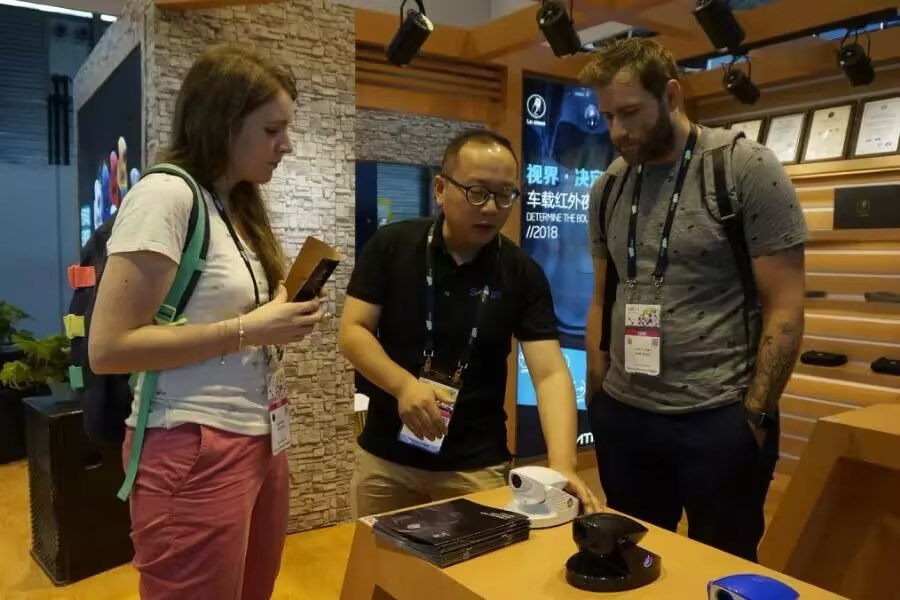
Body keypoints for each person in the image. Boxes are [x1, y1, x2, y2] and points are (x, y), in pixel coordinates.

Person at [88, 45, 323, 599]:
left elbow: (230, 316)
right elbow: (108, 348)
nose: (286, 145)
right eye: (272, 130)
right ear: (223, 123)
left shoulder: (233, 205)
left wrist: (278, 317)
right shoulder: (165, 196)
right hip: (192, 444)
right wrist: (249, 330)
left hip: (260, 438)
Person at [580, 38, 807, 561]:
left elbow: (785, 305)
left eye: (630, 113)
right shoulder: (609, 187)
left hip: (718, 418)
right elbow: (602, 296)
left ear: (671, 95)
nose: (617, 132)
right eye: (608, 117)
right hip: (626, 417)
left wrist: (754, 416)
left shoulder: (743, 168)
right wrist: (599, 399)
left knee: (720, 567)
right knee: (632, 564)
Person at [339, 129, 600, 518]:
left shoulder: (521, 272)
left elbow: (548, 373)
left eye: (505, 194)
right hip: (385, 461)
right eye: (477, 192)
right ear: (440, 189)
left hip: (475, 466)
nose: (491, 208)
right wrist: (404, 386)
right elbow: (353, 331)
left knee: (479, 559)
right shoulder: (392, 246)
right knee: (379, 557)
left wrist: (563, 463)